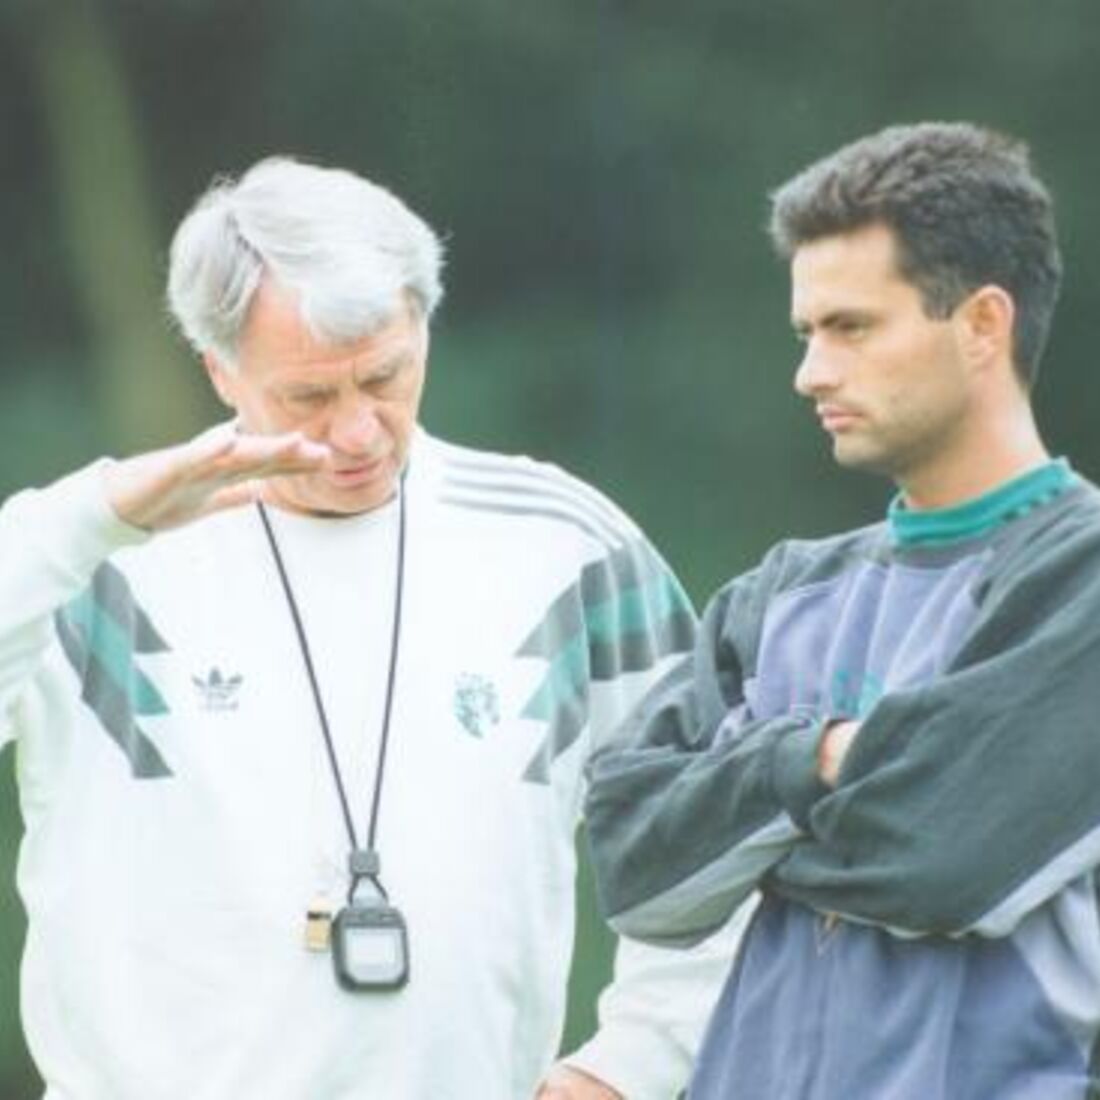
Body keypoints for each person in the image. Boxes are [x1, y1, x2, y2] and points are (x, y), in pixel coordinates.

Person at [0, 157, 746, 1099]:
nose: (358, 433)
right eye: (310, 397)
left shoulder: (564, 546)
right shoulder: (91, 561)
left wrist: (627, 1067)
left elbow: (717, 827)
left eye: (386, 377)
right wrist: (87, 517)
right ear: (219, 369)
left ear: (424, 325)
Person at [584, 121, 1100, 1098]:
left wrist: (742, 812)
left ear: (982, 324)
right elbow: (630, 856)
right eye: (805, 332)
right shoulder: (776, 592)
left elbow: (941, 851)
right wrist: (819, 757)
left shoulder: (1080, 574)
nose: (809, 372)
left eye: (850, 326)